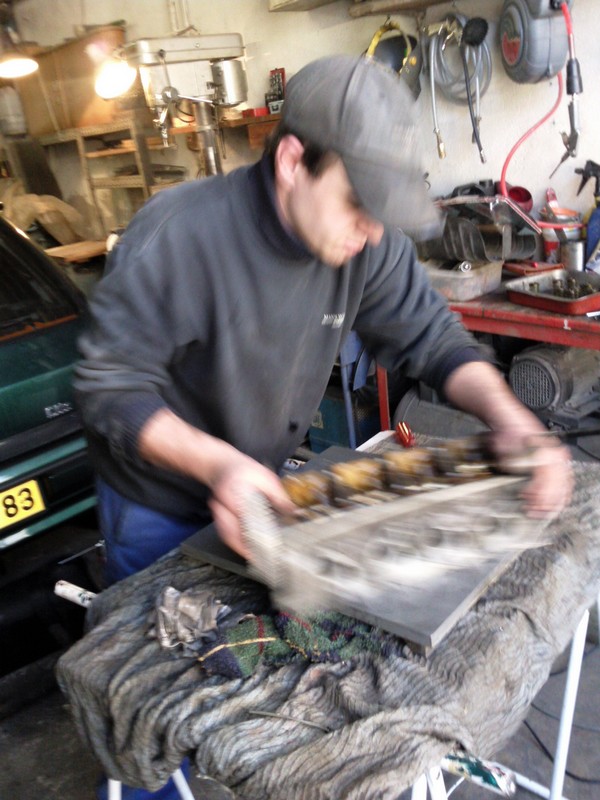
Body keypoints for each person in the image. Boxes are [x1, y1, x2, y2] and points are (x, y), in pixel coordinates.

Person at [74, 54, 572, 800]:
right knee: (157, 706)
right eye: (357, 204)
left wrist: (512, 420)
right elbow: (108, 386)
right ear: (291, 162)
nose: (370, 232)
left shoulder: (365, 240)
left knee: (260, 697)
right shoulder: (178, 236)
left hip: (261, 490)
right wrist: (219, 467)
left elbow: (432, 340)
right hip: (158, 500)